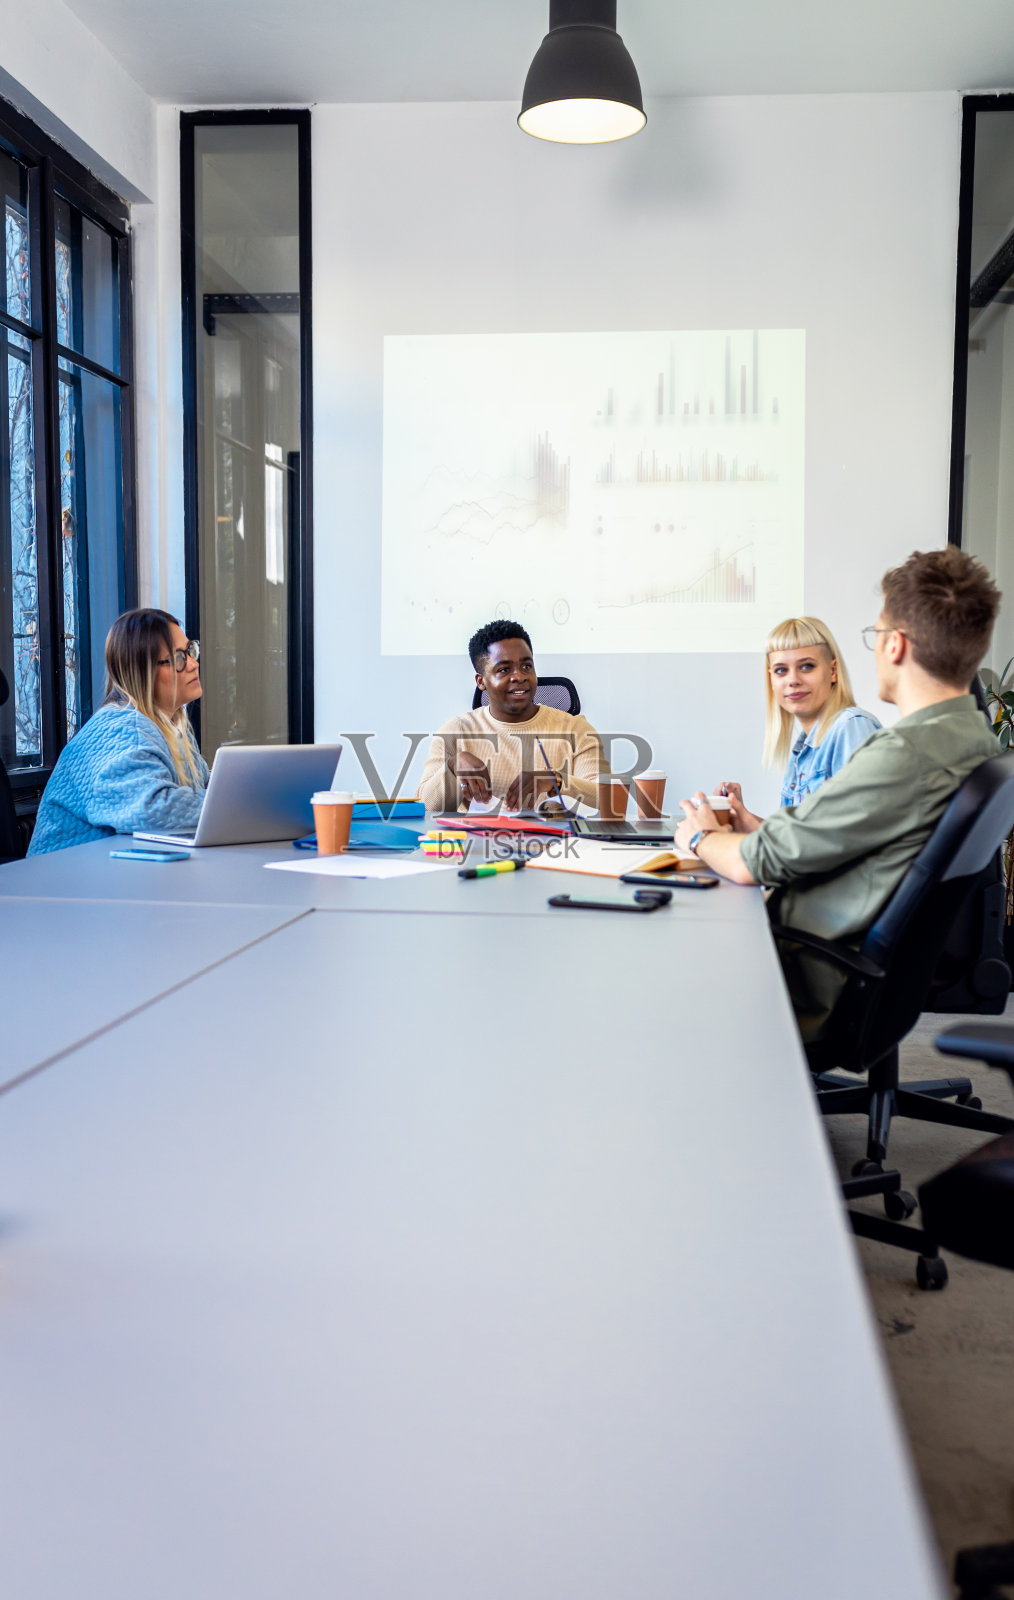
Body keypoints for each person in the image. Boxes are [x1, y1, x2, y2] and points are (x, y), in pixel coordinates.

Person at [673, 548, 1002, 1039]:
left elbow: (753, 863)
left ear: (894, 645)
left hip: (809, 977)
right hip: (858, 967)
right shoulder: (974, 740)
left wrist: (700, 836)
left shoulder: (905, 754)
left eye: (876, 634)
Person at [28, 608, 209, 855]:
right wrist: (240, 805)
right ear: (142, 671)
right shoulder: (122, 729)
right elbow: (153, 809)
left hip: (120, 868)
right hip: (65, 874)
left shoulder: (173, 727)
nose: (193, 664)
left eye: (190, 651)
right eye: (178, 658)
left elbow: (205, 788)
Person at [417, 620, 607, 812]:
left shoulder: (576, 730)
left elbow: (608, 801)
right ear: (481, 681)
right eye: (504, 670)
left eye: (526, 666)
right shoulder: (456, 731)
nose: (519, 676)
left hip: (554, 833)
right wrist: (452, 766)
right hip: (479, 833)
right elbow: (424, 809)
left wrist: (555, 781)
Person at [717, 616, 881, 832]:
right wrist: (741, 817)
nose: (793, 680)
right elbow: (798, 840)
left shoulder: (850, 727)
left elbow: (858, 835)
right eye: (781, 670)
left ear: (833, 671)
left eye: (806, 666)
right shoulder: (802, 752)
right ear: (771, 679)